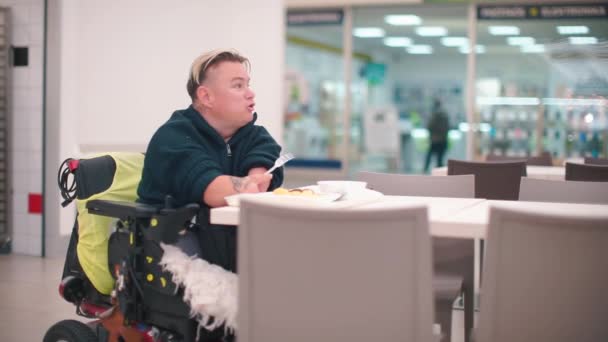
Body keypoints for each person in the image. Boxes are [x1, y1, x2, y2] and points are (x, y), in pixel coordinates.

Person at [137, 49, 284, 274]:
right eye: (238, 86)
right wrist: (251, 183)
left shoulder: (253, 134)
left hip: (225, 247)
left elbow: (263, 156)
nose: (250, 93)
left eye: (248, 84)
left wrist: (257, 174)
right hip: (172, 254)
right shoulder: (173, 137)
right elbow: (215, 191)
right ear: (206, 96)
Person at [424, 99, 450, 173]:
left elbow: (429, 126)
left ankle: (425, 171)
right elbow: (448, 127)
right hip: (443, 140)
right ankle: (440, 175)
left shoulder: (434, 115)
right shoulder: (445, 114)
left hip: (435, 140)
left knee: (429, 157)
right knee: (440, 159)